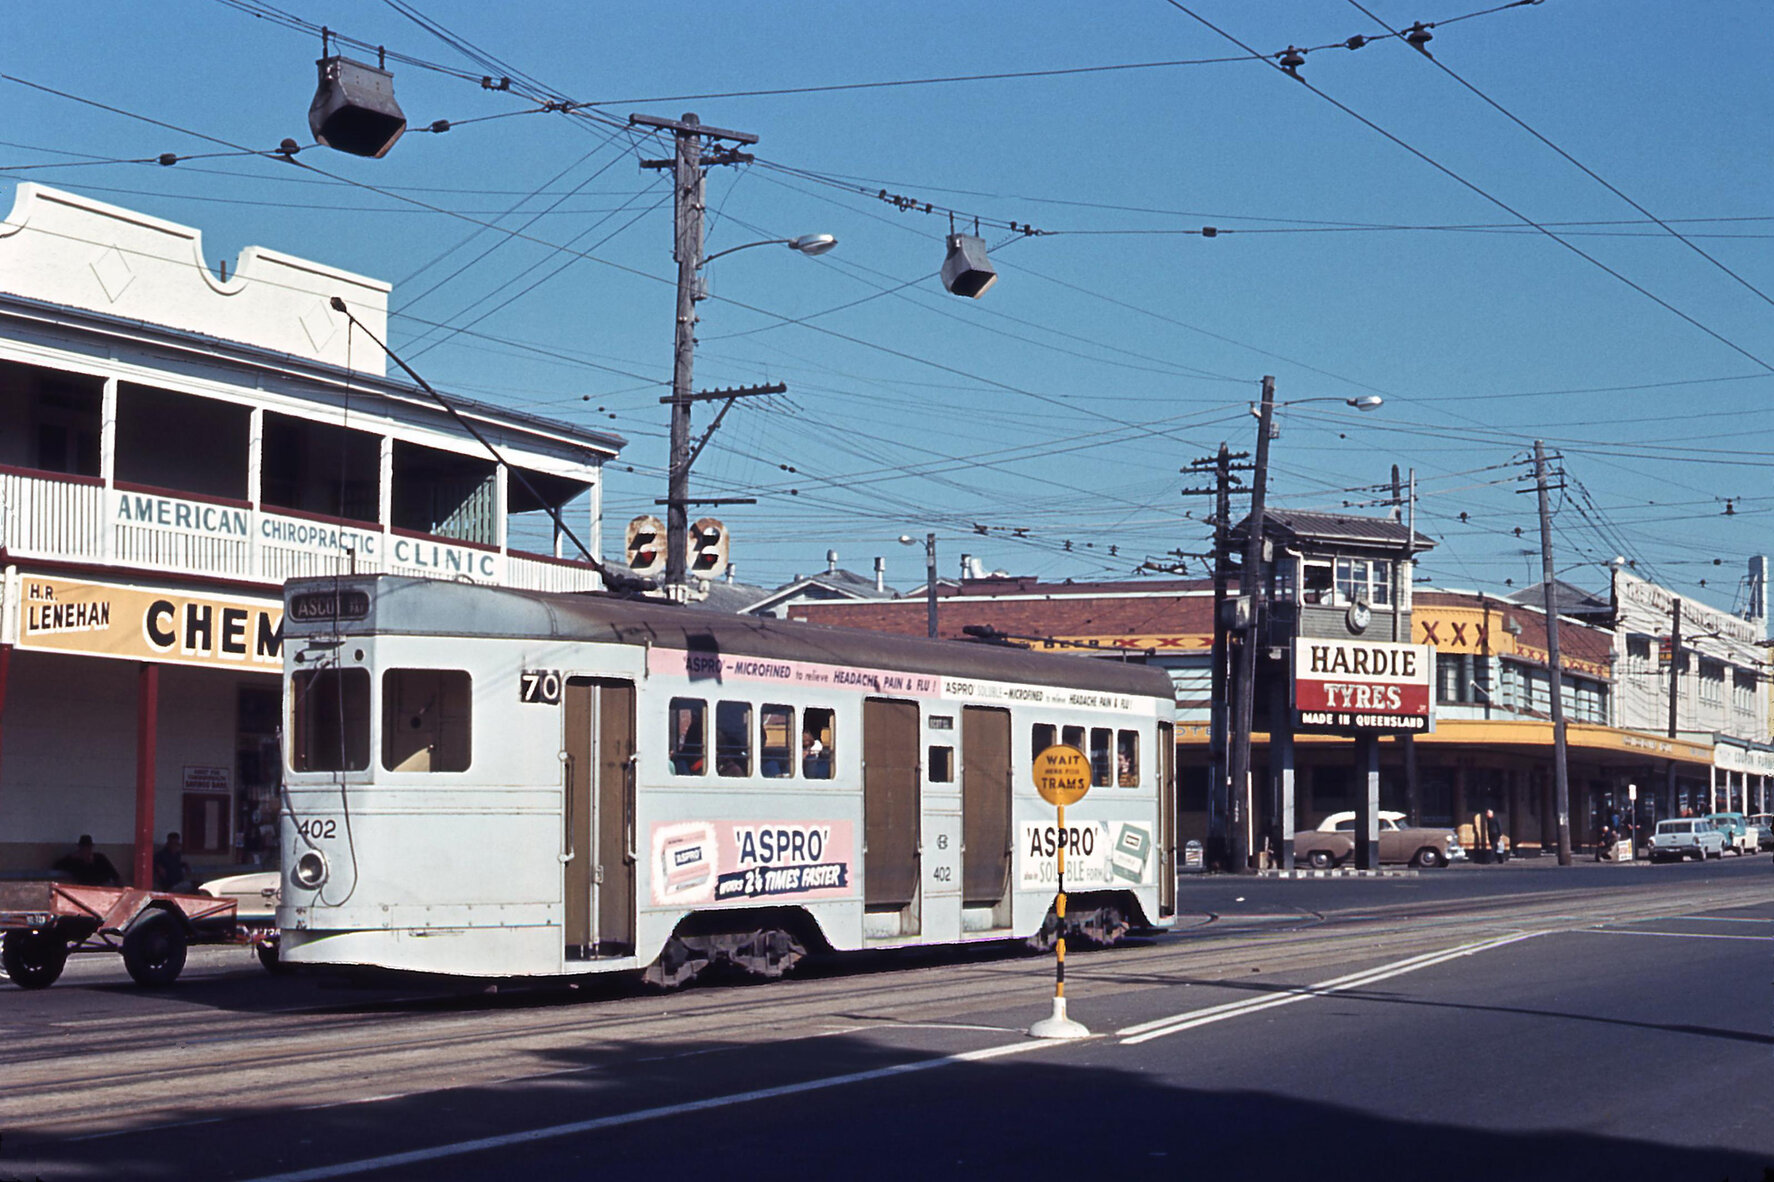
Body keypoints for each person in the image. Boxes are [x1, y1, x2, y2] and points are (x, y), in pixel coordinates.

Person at [52, 834, 121, 887]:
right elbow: (56, 867)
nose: (86, 850)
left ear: (91, 848)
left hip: (102, 888)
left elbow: (115, 876)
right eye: (83, 848)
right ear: (79, 848)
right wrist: (73, 857)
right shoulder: (73, 861)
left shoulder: (100, 858)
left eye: (88, 848)